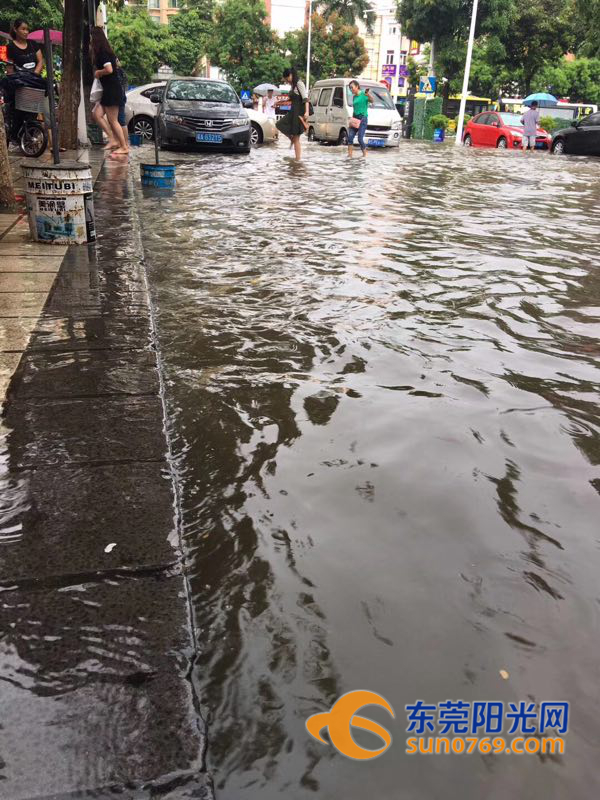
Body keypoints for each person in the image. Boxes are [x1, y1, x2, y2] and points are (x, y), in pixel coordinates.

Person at [90, 26, 129, 156]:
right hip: (108, 90)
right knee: (97, 114)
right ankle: (112, 139)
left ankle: (123, 146)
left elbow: (109, 69)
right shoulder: (105, 51)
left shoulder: (103, 53)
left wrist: (98, 73)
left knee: (114, 120)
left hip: (112, 90)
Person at [276, 68, 309, 161]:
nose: (287, 81)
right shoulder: (293, 85)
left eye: (287, 78)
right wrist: (279, 103)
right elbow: (290, 99)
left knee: (297, 138)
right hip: (292, 112)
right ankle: (292, 140)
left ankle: (298, 161)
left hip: (298, 113)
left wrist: (306, 112)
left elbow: (306, 99)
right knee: (279, 124)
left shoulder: (299, 83)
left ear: (291, 75)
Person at [347, 80, 372, 158]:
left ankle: (365, 156)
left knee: (360, 139)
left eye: (352, 87)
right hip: (355, 119)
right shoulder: (354, 97)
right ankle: (349, 156)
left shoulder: (364, 94)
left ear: (357, 86)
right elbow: (355, 109)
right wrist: (351, 121)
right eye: (350, 88)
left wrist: (368, 95)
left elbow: (372, 101)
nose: (351, 89)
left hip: (363, 119)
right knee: (350, 137)